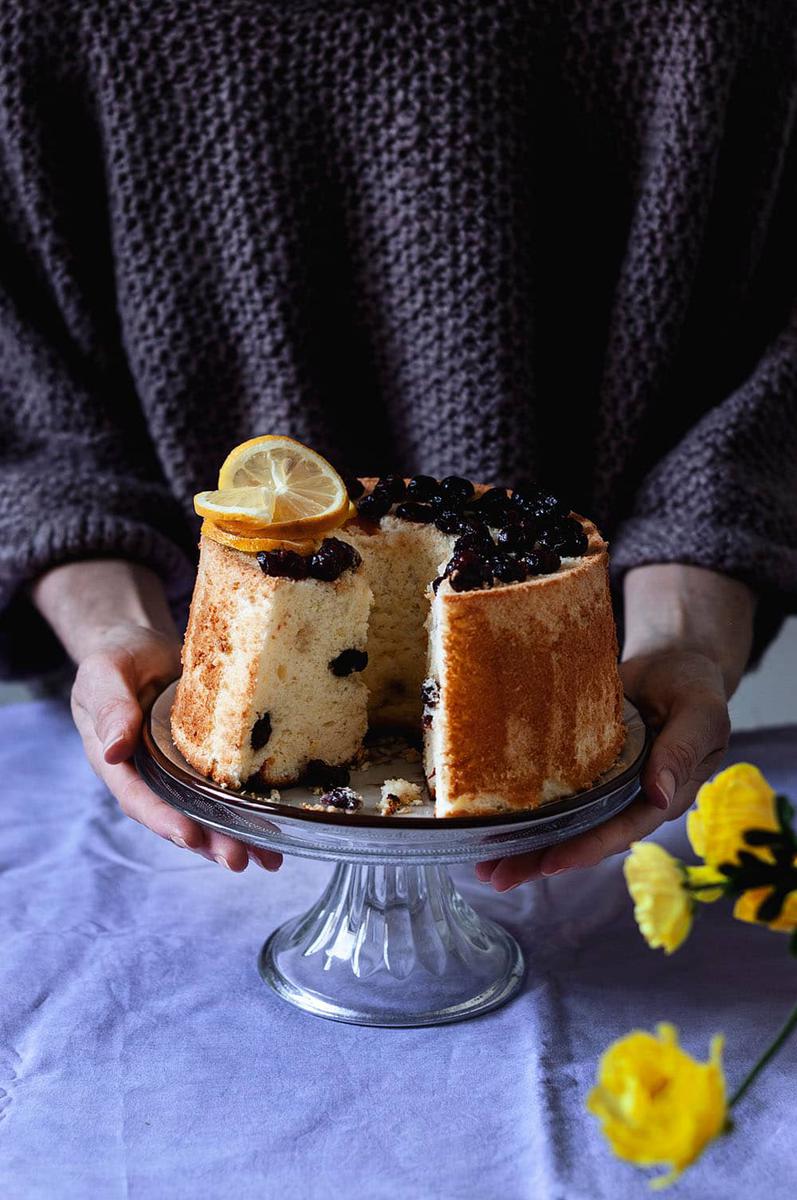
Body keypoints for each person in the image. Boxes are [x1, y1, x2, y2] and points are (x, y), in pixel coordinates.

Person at [1, 2, 795, 880]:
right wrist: (111, 618)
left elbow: (772, 346)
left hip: (602, 719)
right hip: (142, 716)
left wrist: (684, 625)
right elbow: (21, 365)